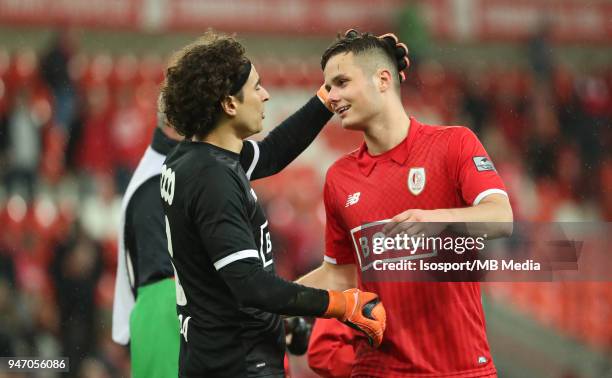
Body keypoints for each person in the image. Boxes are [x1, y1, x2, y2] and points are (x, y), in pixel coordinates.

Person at [160, 31, 387, 378]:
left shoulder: (192, 158)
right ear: (229, 104)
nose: (266, 96)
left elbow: (272, 154)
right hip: (239, 365)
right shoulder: (213, 179)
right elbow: (250, 285)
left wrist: (331, 94)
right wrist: (342, 304)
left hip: (210, 356)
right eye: (256, 87)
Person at [297, 30, 513, 377]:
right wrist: (269, 298)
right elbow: (338, 273)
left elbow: (501, 218)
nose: (331, 97)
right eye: (328, 88)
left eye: (340, 83)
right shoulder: (339, 177)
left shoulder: (454, 144)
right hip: (379, 369)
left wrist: (437, 220)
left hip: (459, 368)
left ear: (383, 79)